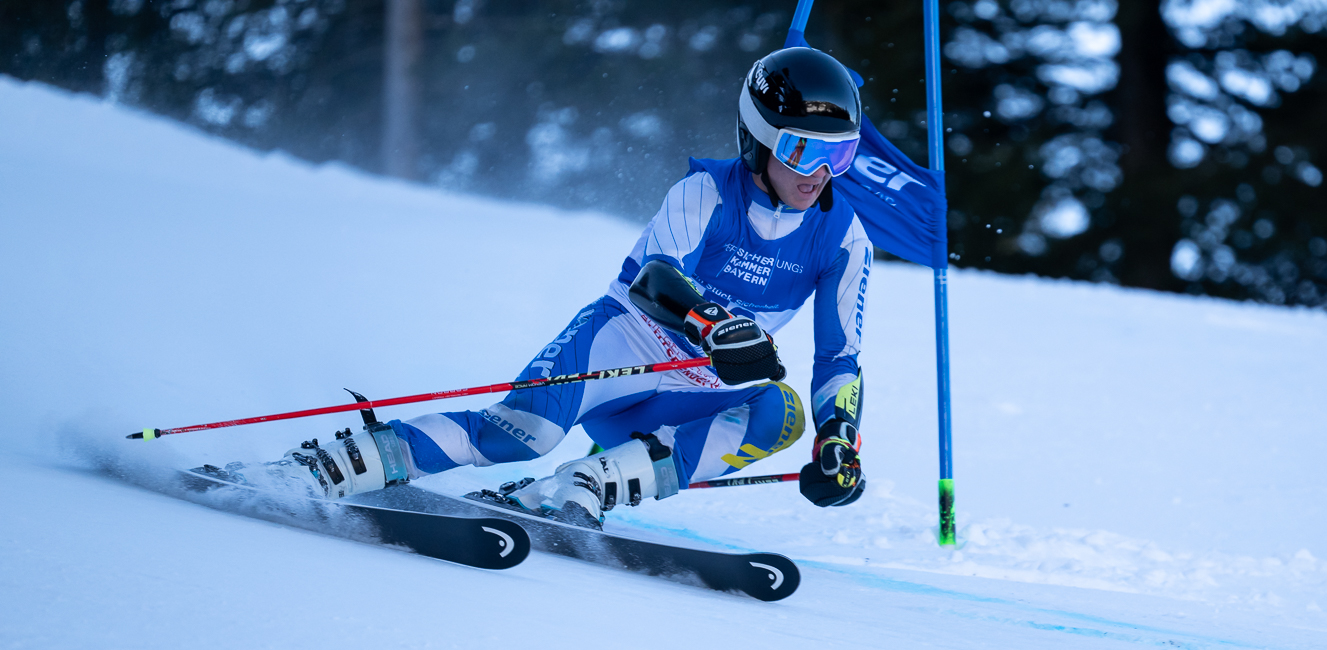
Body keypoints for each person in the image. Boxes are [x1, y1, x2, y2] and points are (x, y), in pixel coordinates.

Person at [263, 45, 872, 526]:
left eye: (839, 156)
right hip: (622, 346)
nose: (819, 174)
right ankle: (332, 465)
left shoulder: (844, 239)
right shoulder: (706, 193)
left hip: (690, 392)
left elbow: (839, 357)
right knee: (520, 435)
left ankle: (584, 485)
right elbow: (655, 279)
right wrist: (714, 323)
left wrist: (839, 440)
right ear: (758, 139)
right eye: (801, 151)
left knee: (780, 413)